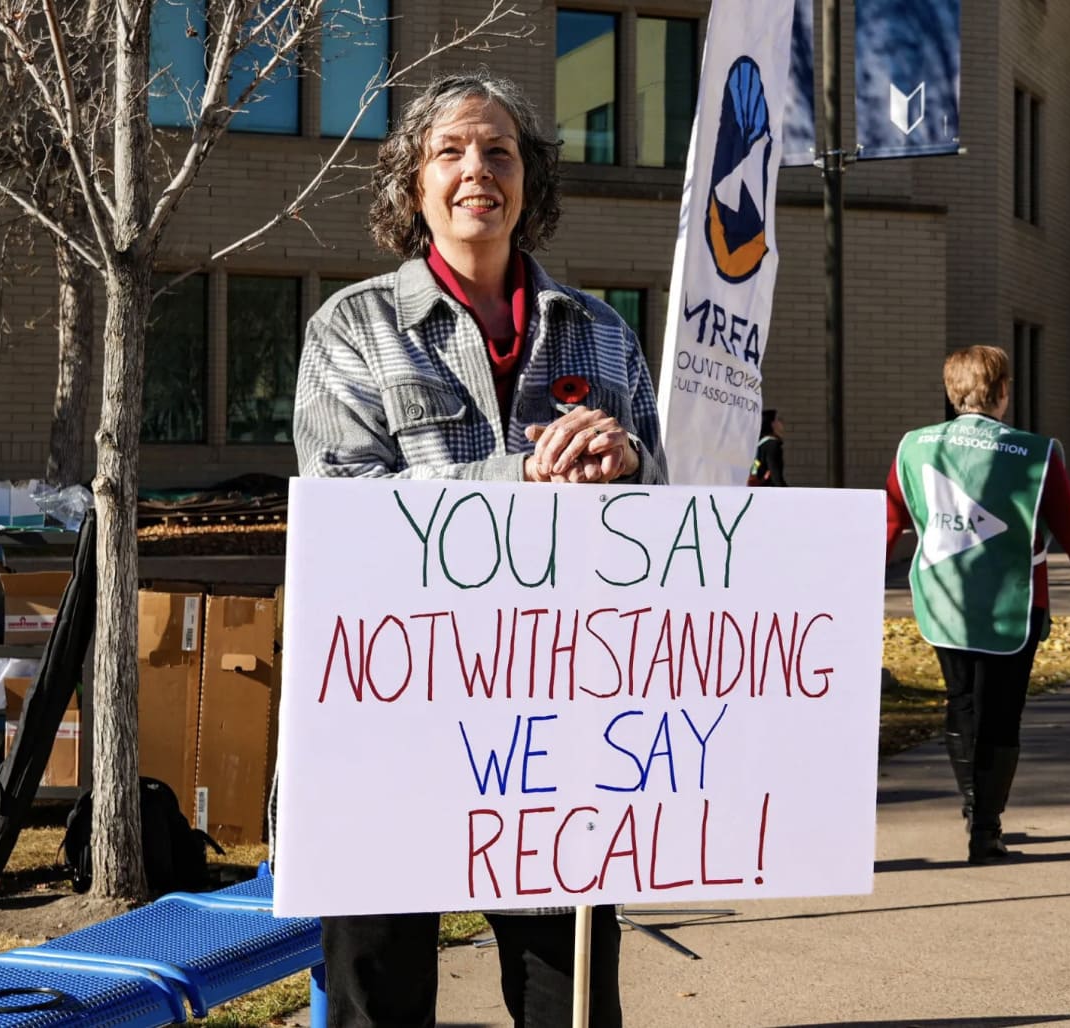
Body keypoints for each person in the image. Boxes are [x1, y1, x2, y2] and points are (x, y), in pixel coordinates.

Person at [294, 72, 666, 1027]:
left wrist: (627, 464)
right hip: (391, 718)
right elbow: (349, 512)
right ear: (412, 186)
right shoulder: (353, 329)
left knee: (569, 1001)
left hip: (551, 732)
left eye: (499, 151)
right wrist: (522, 482)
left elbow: (667, 526)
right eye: (450, 151)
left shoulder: (603, 334)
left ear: (529, 183)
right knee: (383, 1000)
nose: (477, 171)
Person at [885, 345, 1070, 864]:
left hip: (943, 599)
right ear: (1003, 392)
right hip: (1015, 600)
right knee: (1002, 712)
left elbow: (890, 518)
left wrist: (860, 577)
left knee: (962, 702)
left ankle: (972, 806)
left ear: (950, 390)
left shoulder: (914, 447)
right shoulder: (1036, 451)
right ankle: (986, 829)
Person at [747, 408, 786, 486]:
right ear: (772, 424)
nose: (782, 423)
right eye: (779, 420)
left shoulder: (761, 445)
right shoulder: (772, 445)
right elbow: (776, 476)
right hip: (769, 492)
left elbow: (755, 468)